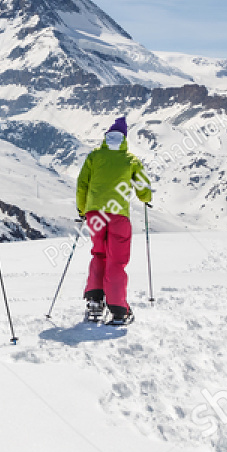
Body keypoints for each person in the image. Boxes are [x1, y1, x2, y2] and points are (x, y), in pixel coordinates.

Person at [75, 116, 151, 324]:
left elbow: (82, 184)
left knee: (99, 254)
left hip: (94, 214)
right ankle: (119, 310)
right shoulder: (130, 160)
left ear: (107, 137)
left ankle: (94, 303)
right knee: (116, 261)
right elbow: (143, 186)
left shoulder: (94, 157)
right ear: (124, 138)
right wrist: (146, 199)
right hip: (118, 216)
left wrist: (83, 210)